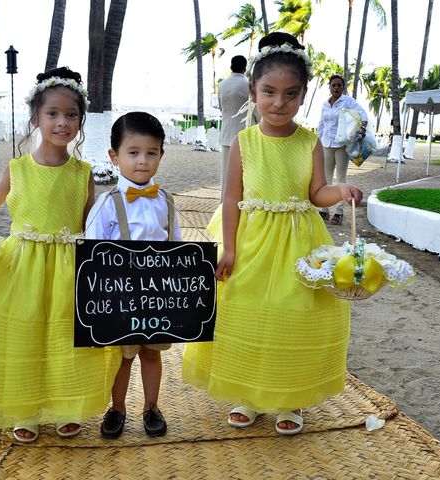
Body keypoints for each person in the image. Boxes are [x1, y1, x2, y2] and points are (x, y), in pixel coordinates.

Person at [182, 32, 363, 436]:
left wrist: (341, 190)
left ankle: (289, 396)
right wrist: (228, 248)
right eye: (269, 92)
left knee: (295, 315)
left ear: (303, 95)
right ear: (253, 91)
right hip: (251, 240)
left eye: (290, 94)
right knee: (247, 313)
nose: (279, 103)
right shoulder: (245, 142)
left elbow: (317, 193)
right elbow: (231, 199)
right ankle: (248, 393)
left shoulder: (310, 141)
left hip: (300, 242)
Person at [0, 67, 121, 444]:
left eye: (71, 115)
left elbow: (91, 226)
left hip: (67, 267)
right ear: (35, 118)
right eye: (52, 114)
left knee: (62, 336)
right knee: (23, 334)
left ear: (81, 120)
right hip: (21, 265)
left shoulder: (83, 172)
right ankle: (24, 409)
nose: (62, 122)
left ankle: (63, 407)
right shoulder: (18, 168)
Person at [85, 111, 182, 439]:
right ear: (114, 157)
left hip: (157, 299)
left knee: (152, 354)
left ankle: (152, 407)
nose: (143, 161)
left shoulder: (166, 201)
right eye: (133, 152)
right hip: (120, 299)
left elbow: (176, 246)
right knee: (123, 359)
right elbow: (92, 255)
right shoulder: (107, 204)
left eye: (151, 153)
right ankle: (118, 408)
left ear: (161, 156)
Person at [317, 74, 368, 225]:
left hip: (341, 145)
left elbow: (363, 114)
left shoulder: (348, 101)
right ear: (330, 87)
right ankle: (324, 211)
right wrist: (319, 141)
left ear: (343, 87)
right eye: (334, 85)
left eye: (339, 85)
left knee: (340, 179)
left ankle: (339, 213)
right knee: (326, 179)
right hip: (326, 144)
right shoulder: (325, 104)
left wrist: (362, 126)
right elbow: (321, 124)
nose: (336, 88)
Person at [218, 55, 249, 197]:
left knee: (225, 173)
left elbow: (221, 108)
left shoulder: (222, 84)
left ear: (231, 66)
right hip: (243, 134)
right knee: (242, 173)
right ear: (245, 67)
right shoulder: (248, 85)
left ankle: (223, 203)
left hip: (226, 132)